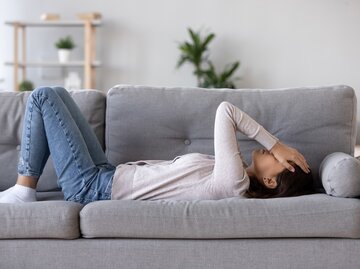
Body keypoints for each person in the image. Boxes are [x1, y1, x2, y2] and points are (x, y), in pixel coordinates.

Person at [0, 86, 313, 205]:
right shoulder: (229, 174)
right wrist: (279, 149)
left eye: (282, 159)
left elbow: (225, 111)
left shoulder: (233, 182)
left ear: (271, 180)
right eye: (281, 152)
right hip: (106, 174)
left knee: (44, 96)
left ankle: (24, 189)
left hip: (92, 187)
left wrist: (277, 142)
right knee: (59, 93)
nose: (276, 153)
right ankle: (24, 189)